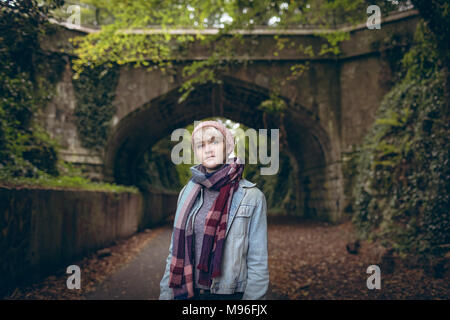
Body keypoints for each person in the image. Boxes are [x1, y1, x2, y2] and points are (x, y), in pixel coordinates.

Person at [159, 120, 269, 300]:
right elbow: (174, 252)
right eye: (201, 145)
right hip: (188, 292)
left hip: (229, 294)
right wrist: (165, 295)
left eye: (214, 142)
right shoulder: (186, 194)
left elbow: (258, 261)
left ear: (228, 146)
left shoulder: (252, 197)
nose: (208, 149)